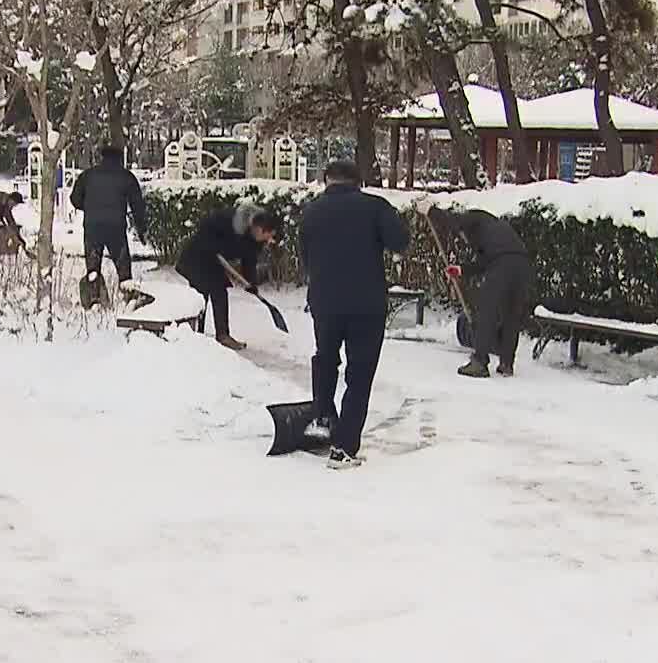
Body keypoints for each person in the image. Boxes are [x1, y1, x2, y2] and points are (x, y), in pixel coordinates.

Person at [300, 159, 408, 468]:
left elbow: (305, 257)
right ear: (357, 181)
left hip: (324, 300)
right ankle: (344, 447)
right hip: (366, 303)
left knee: (326, 357)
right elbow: (400, 242)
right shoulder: (375, 206)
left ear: (326, 180)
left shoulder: (311, 211)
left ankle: (322, 416)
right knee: (359, 373)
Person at [174, 201, 283, 351]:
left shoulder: (255, 239)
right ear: (257, 228)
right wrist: (214, 247)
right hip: (197, 256)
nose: (267, 240)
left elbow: (249, 260)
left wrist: (251, 283)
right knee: (201, 294)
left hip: (214, 261)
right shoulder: (228, 219)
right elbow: (204, 228)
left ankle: (222, 335)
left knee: (219, 292)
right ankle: (196, 336)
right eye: (266, 235)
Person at [445, 209, 536, 378]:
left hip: (502, 265)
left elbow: (450, 219)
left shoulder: (474, 223)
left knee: (487, 311)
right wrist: (461, 269)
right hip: (522, 265)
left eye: (461, 234)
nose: (463, 239)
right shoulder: (496, 229)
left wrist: (430, 210)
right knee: (511, 315)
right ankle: (506, 363)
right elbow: (486, 262)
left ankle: (479, 362)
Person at [70, 145, 148, 286]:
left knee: (93, 268)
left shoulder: (87, 175)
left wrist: (90, 208)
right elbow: (137, 205)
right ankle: (127, 295)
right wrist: (141, 230)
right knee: (122, 265)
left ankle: (94, 300)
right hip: (116, 227)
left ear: (102, 157)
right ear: (119, 159)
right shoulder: (126, 176)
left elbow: (75, 199)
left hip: (92, 227)